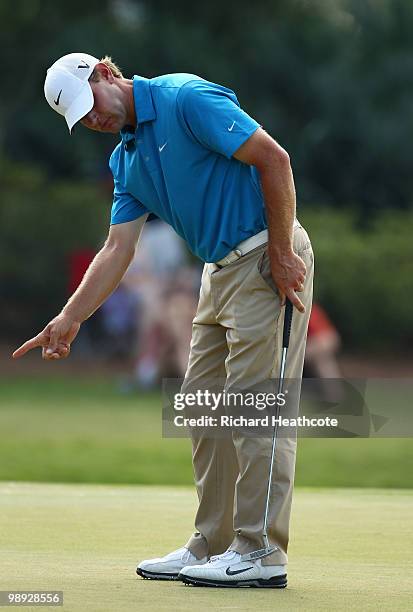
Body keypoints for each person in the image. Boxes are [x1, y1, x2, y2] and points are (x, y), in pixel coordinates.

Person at [13, 53, 314, 588]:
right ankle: (213, 544)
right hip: (217, 271)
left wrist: (285, 252)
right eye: (81, 121)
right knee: (202, 406)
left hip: (267, 256)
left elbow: (276, 160)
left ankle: (262, 551)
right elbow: (115, 249)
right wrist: (69, 318)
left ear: (106, 73)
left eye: (92, 107)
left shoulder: (184, 98)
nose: (93, 122)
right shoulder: (125, 161)